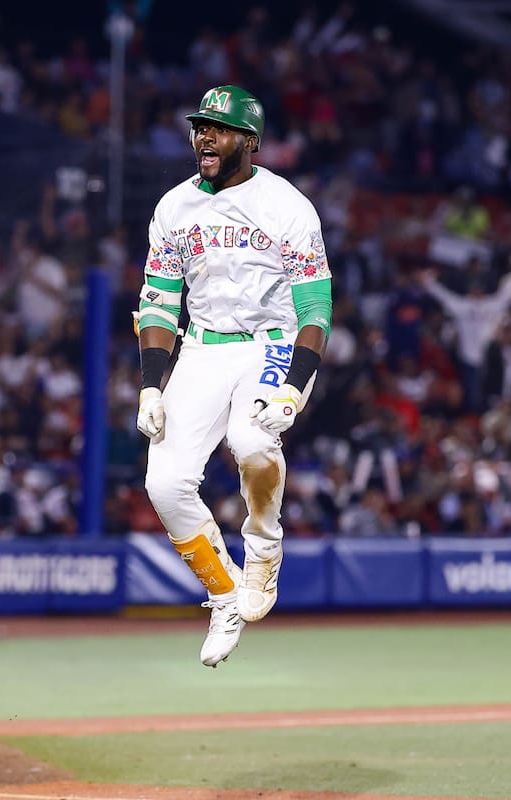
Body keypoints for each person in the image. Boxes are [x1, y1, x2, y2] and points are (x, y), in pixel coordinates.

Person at [135, 85, 332, 667]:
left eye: (217, 128)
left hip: (271, 343)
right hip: (201, 349)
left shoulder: (287, 206)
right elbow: (159, 303)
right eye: (200, 126)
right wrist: (151, 382)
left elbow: (314, 309)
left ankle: (263, 550)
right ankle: (223, 594)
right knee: (164, 484)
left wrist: (295, 387)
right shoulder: (174, 207)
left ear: (249, 140)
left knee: (251, 440)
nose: (204, 136)